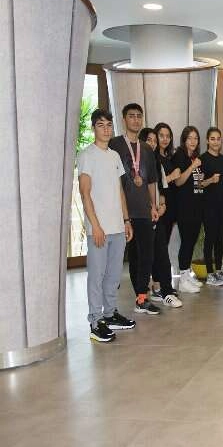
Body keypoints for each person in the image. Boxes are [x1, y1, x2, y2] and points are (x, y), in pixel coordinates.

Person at [78, 109, 136, 342]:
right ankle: (95, 321)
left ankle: (110, 314)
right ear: (94, 128)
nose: (105, 129)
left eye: (109, 125)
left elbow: (119, 190)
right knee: (97, 276)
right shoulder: (86, 155)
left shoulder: (114, 156)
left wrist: (126, 220)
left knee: (113, 275)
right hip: (99, 229)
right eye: (100, 125)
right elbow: (85, 193)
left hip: (118, 227)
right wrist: (96, 226)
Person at [109, 103, 161, 315]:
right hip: (120, 211)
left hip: (143, 210)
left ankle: (142, 297)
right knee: (127, 256)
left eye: (139, 116)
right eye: (132, 116)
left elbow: (151, 181)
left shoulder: (146, 149)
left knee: (146, 254)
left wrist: (153, 205)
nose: (136, 120)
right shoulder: (114, 144)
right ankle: (112, 304)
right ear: (124, 119)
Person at [140, 125, 182, 308]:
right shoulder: (138, 163)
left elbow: (162, 188)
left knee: (162, 253)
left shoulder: (157, 161)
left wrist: (162, 205)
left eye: (154, 140)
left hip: (161, 212)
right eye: (149, 140)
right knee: (146, 255)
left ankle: (165, 289)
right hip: (143, 215)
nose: (153, 143)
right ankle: (147, 292)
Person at [173, 126, 205, 293]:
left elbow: (198, 184)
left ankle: (187, 275)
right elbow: (178, 181)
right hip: (184, 206)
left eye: (196, 138)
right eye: (190, 138)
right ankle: (183, 279)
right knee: (186, 241)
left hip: (196, 205)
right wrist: (193, 166)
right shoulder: (179, 155)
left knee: (191, 241)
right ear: (184, 140)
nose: (193, 141)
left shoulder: (195, 157)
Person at [200, 127, 223, 287]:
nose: (216, 142)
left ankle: (218, 270)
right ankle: (210, 273)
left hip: (222, 205)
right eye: (212, 138)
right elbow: (198, 184)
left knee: (220, 239)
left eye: (218, 138)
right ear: (207, 140)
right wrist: (210, 180)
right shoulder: (202, 159)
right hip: (208, 205)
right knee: (210, 239)